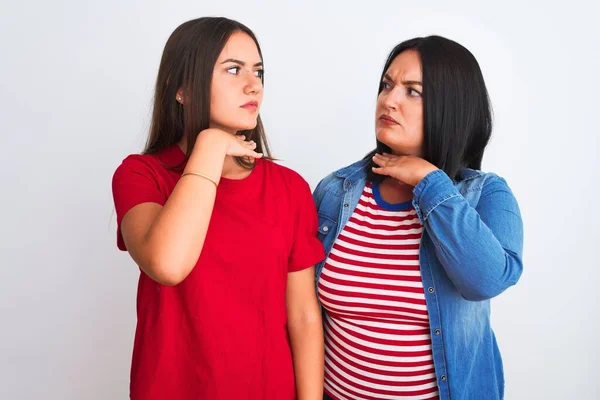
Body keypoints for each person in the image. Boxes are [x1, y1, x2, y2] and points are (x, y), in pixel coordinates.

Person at [112, 17, 324, 400]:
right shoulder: (141, 175)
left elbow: (304, 318)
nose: (253, 84)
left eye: (258, 71)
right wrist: (210, 145)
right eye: (232, 69)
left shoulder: (289, 188)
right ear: (182, 89)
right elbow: (167, 263)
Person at [313, 36, 523, 400]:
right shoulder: (336, 191)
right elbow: (303, 311)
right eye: (387, 85)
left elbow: (485, 280)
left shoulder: (485, 195)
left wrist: (429, 182)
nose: (388, 100)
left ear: (451, 106)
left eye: (413, 91)